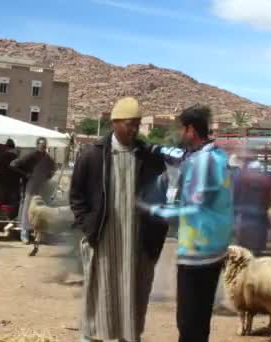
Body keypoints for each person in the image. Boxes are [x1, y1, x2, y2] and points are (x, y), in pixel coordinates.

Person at [70, 97, 169, 342]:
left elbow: (160, 199)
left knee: (133, 298)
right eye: (129, 123)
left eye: (137, 123)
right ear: (114, 123)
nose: (134, 129)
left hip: (138, 244)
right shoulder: (92, 156)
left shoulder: (149, 159)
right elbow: (76, 196)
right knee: (99, 297)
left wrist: (156, 237)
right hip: (104, 241)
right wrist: (88, 226)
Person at [140, 104, 234, 342]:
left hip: (198, 252)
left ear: (191, 130)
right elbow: (181, 155)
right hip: (213, 249)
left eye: (183, 129)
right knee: (199, 320)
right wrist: (155, 148)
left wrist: (151, 208)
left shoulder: (201, 163)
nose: (181, 134)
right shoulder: (215, 155)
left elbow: (194, 207)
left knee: (189, 323)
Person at [11, 137, 56, 244]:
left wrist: (48, 177)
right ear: (37, 145)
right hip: (29, 187)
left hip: (42, 188)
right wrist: (26, 174)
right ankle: (24, 234)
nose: (43, 147)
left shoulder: (48, 159)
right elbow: (13, 165)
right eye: (41, 145)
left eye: (44, 146)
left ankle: (39, 236)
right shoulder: (30, 156)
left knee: (41, 212)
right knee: (27, 210)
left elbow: (53, 170)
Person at [233, 155, 271, 255]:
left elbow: (235, 194)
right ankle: (257, 252)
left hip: (245, 212)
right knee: (259, 238)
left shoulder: (240, 176)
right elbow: (270, 196)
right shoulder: (264, 177)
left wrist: (235, 209)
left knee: (244, 241)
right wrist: (266, 207)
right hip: (260, 212)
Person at [0, 139, 22, 206]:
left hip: (3, 186)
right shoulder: (18, 158)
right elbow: (21, 173)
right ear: (14, 147)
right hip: (14, 187)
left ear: (6, 147)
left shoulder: (3, 157)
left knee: (0, 208)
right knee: (12, 208)